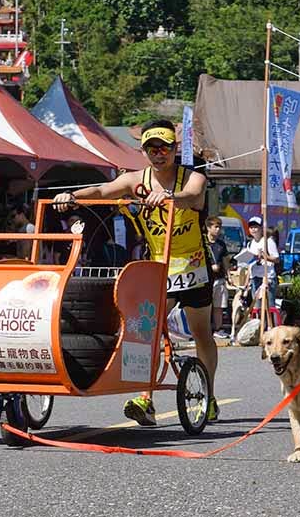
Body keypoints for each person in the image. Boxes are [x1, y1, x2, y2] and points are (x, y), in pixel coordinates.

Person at [54, 119, 220, 424]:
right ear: (143, 151)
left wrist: (171, 197)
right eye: (152, 148)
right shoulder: (135, 180)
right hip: (159, 267)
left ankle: (208, 397)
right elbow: (103, 191)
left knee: (201, 334)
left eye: (165, 147)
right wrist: (72, 197)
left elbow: (193, 195)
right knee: (149, 331)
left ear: (174, 149)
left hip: (193, 265)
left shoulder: (191, 177)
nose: (159, 154)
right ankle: (146, 400)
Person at [245, 216, 279, 310]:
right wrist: (247, 281)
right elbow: (249, 263)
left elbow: (276, 259)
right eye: (251, 227)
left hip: (267, 278)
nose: (253, 230)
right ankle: (259, 324)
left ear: (261, 228)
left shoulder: (268, 241)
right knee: (257, 307)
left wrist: (265, 257)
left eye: (256, 227)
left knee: (270, 306)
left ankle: (270, 324)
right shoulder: (250, 243)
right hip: (255, 278)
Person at [205, 217, 231, 339]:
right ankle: (204, 329)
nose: (218, 229)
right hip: (206, 280)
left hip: (220, 279)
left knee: (219, 305)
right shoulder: (203, 243)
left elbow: (226, 261)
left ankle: (218, 328)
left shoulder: (221, 244)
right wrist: (210, 267)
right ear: (209, 228)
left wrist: (229, 275)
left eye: (219, 227)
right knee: (205, 306)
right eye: (215, 227)